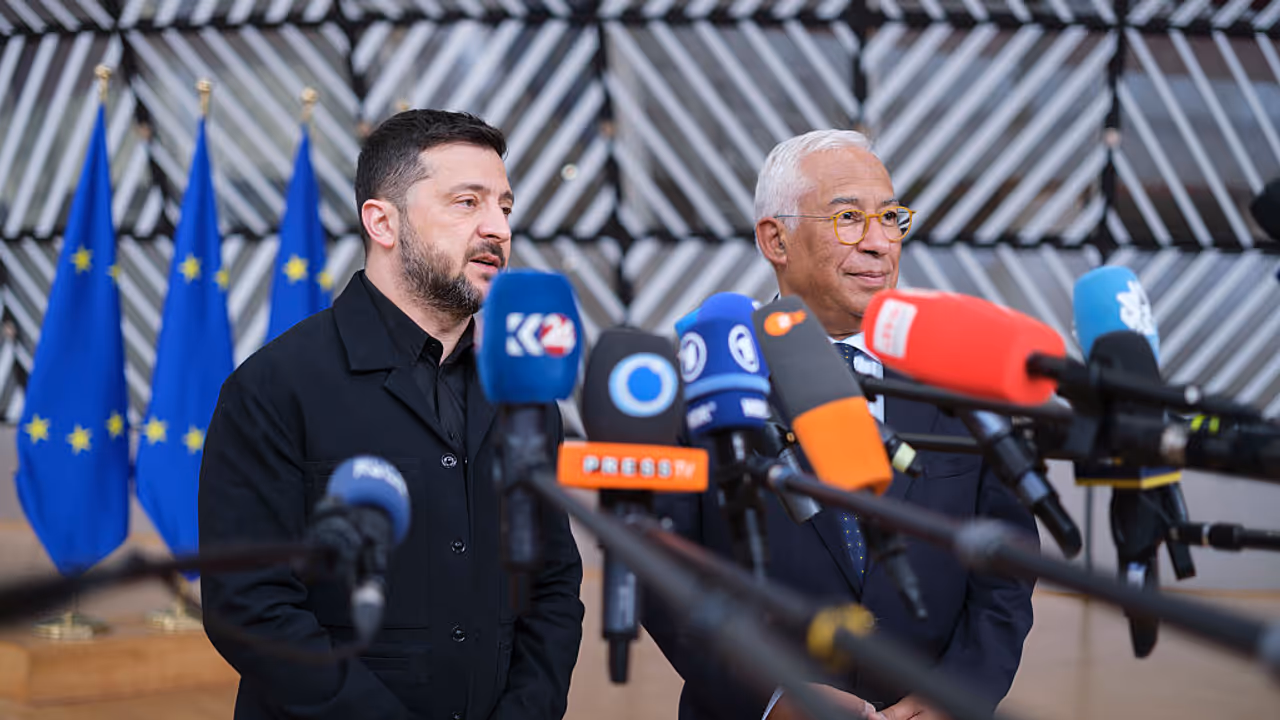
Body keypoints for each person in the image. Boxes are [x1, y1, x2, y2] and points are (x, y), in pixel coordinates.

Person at [199, 109, 584, 720]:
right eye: (467, 202)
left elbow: (554, 584)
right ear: (382, 221)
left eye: (505, 207)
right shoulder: (273, 386)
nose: (498, 228)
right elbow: (251, 605)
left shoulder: (525, 391)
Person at [644, 129, 1038, 720]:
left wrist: (959, 693)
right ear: (776, 239)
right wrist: (775, 698)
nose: (881, 243)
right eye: (849, 217)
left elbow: (1006, 567)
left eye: (891, 217)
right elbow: (662, 575)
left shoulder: (961, 381)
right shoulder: (701, 381)